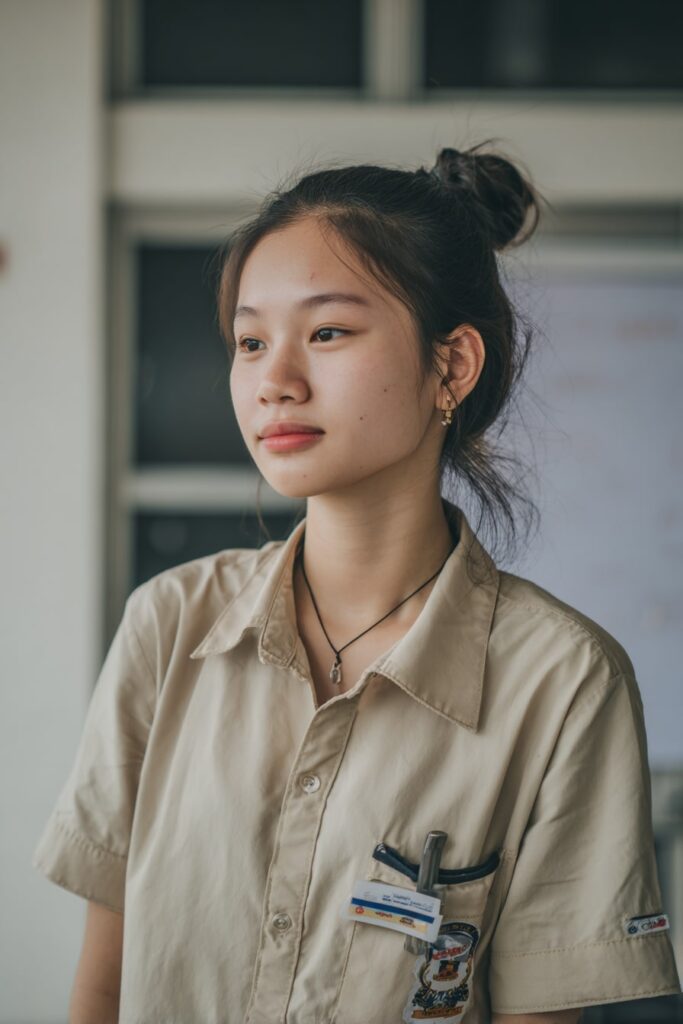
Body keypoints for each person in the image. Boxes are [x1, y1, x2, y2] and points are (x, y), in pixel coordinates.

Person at [32, 142, 681, 1023]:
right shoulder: (169, 624)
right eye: (250, 340)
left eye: (326, 332)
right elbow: (102, 988)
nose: (274, 381)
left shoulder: (564, 683)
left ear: (450, 366)